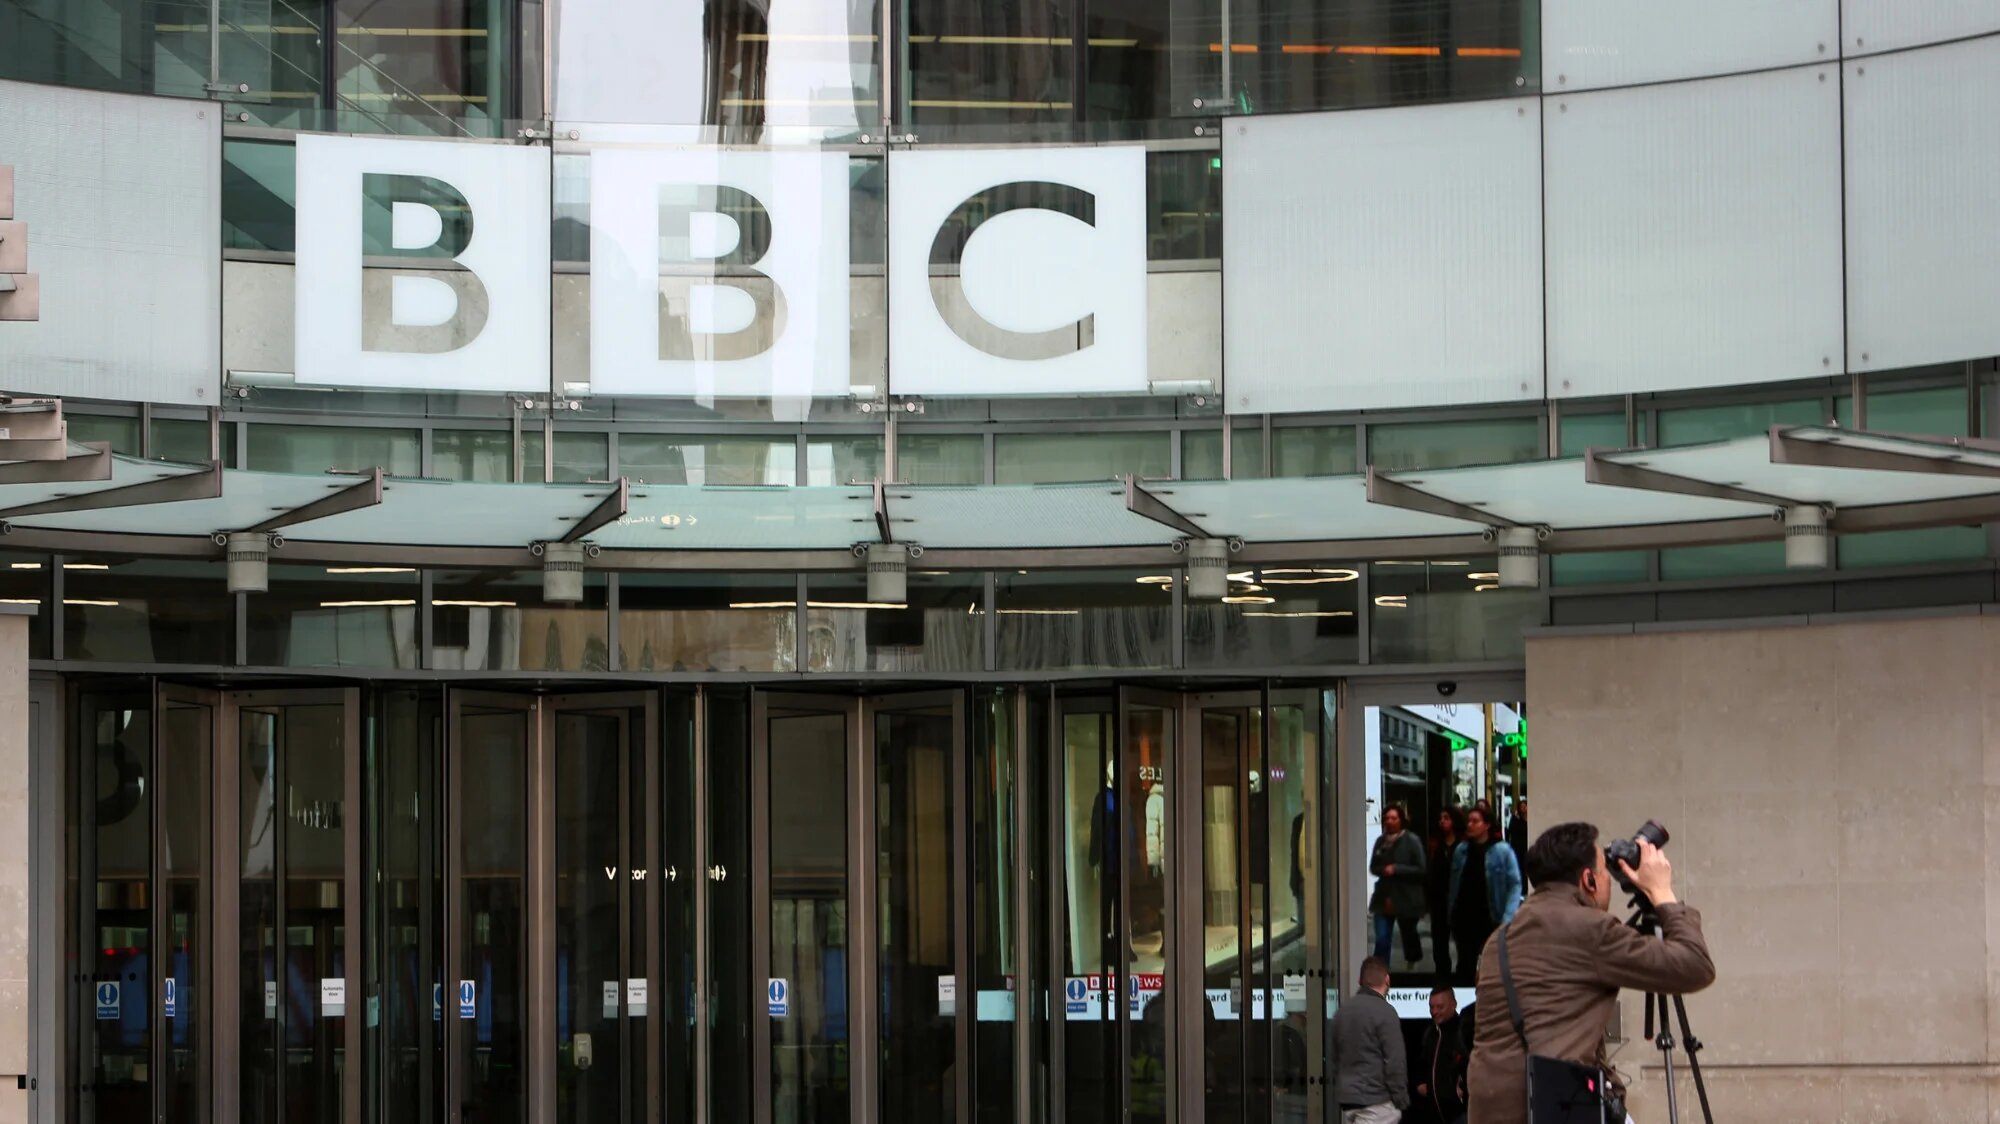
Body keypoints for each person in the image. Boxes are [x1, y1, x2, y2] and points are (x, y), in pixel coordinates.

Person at [1466, 824, 1715, 1124]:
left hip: (1492, 1110)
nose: (1608, 880)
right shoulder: (1589, 929)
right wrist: (1661, 892)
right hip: (1552, 1110)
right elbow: (1695, 965)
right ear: (1588, 880)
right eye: (1604, 872)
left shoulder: (1500, 939)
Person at [1446, 806, 1522, 984]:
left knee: (1490, 965)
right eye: (1468, 821)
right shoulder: (1461, 850)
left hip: (1490, 918)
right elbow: (1454, 884)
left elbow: (1514, 884)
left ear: (1487, 825)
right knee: (1465, 965)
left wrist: (1508, 917)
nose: (1470, 825)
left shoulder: (1502, 851)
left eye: (1475, 821)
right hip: (1463, 918)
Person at [1330, 957, 1409, 1124]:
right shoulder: (1385, 1012)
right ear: (1387, 979)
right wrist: (1401, 1099)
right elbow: (1395, 1061)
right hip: (1377, 1101)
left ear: (1360, 981)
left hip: (1349, 1101)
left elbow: (1334, 1057)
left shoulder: (1342, 1012)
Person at [1368, 805, 1427, 970]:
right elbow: (1373, 867)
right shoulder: (1381, 841)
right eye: (1386, 818)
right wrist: (1383, 870)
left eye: (1393, 818)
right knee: (1382, 938)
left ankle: (1412, 962)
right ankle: (1380, 970)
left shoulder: (1412, 840)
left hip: (1406, 896)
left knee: (1409, 934)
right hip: (1383, 897)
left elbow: (1421, 868)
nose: (1389, 821)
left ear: (1401, 820)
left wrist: (1397, 869)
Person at [1412, 986, 1468, 1124]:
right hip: (1434, 1114)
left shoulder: (1465, 1032)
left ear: (1453, 1005)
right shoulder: (1430, 1034)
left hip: (1461, 1114)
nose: (1434, 1011)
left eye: (1440, 1007)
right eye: (1431, 1007)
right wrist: (1420, 1084)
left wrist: (1463, 1089)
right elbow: (1421, 1064)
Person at [1426, 807, 1466, 980]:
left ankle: (1463, 975)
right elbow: (1430, 872)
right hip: (1439, 900)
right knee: (1439, 943)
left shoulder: (1463, 845)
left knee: (1462, 942)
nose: (1442, 821)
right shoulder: (1435, 844)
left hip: (1459, 901)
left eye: (1447, 818)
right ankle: (1443, 974)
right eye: (1441, 818)